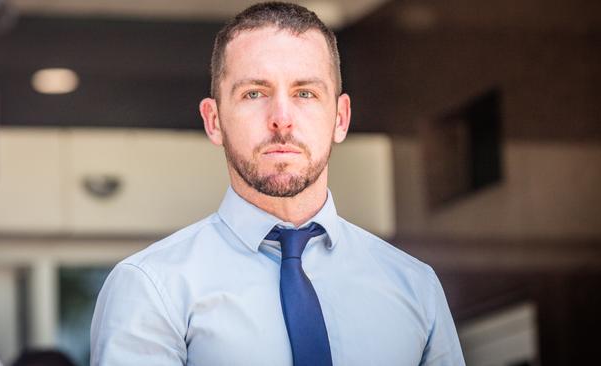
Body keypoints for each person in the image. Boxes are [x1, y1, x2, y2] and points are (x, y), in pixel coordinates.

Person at [90, 2, 465, 365]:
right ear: (214, 120)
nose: (281, 119)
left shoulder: (416, 288)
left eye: (305, 93)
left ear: (340, 117)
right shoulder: (152, 288)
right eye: (254, 93)